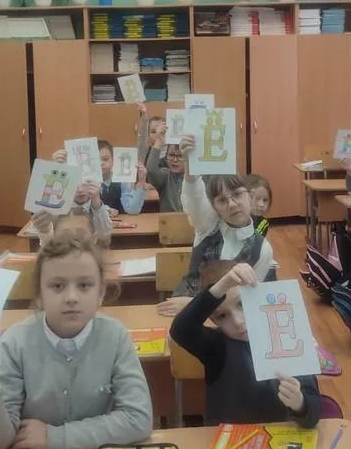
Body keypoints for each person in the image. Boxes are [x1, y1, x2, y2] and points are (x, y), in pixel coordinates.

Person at [0, 233, 152, 449]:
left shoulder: (115, 337)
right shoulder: (15, 343)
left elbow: (138, 419)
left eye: (84, 285)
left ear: (100, 293)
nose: (71, 297)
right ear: (39, 295)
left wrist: (56, 437)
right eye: (57, 286)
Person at [170, 261, 320, 427]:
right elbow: (181, 330)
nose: (238, 321)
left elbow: (314, 412)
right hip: (230, 439)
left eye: (241, 304)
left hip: (281, 437)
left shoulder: (290, 340)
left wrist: (300, 404)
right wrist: (221, 286)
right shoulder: (217, 347)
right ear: (213, 320)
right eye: (222, 316)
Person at [160, 141, 276, 311]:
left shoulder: (263, 249)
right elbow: (194, 195)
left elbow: (248, 301)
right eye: (222, 200)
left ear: (250, 197)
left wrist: (193, 304)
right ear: (214, 207)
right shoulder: (209, 226)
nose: (232, 204)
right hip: (185, 311)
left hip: (229, 316)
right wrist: (190, 161)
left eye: (237, 194)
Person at [96, 139, 147, 216]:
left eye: (105, 159)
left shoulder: (122, 180)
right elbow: (85, 207)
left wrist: (141, 182)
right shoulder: (88, 182)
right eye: (97, 160)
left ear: (113, 160)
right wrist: (106, 209)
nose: (101, 163)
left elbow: (132, 210)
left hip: (121, 221)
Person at [145, 121, 186, 213]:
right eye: (171, 155)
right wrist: (159, 141)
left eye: (180, 156)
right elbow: (151, 170)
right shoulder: (165, 175)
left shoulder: (193, 179)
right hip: (169, 220)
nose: (175, 160)